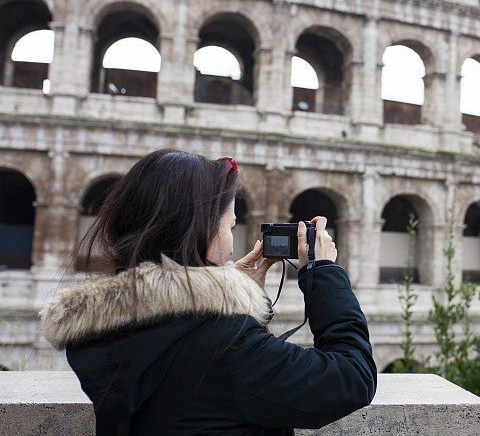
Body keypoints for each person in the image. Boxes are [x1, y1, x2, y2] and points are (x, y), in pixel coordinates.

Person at [39, 148, 377, 435]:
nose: (231, 246)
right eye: (230, 226)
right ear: (199, 231)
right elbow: (352, 378)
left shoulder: (108, 327)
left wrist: (238, 295)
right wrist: (325, 274)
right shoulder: (226, 346)